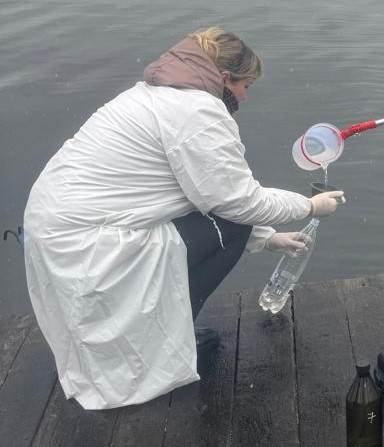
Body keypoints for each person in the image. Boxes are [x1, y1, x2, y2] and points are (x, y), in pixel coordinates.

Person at [23, 27, 345, 409]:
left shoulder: (151, 95)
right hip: (89, 245)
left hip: (58, 234)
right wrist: (309, 207)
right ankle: (168, 340)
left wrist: (270, 239)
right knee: (233, 226)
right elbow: (237, 203)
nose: (243, 96)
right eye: (245, 86)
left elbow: (201, 192)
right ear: (225, 79)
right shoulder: (198, 112)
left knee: (230, 223)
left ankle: (165, 330)